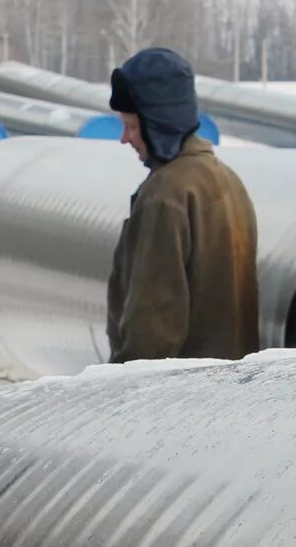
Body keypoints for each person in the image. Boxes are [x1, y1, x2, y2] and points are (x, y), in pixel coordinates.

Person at [104, 47, 259, 364]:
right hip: (228, 391)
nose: (124, 139)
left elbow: (153, 321)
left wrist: (120, 389)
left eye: (132, 126)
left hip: (175, 397)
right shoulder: (229, 181)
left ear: (160, 124)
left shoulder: (166, 195)